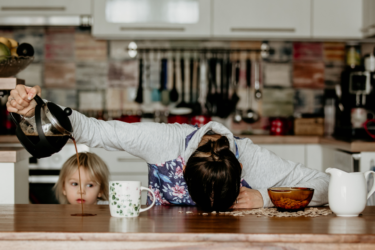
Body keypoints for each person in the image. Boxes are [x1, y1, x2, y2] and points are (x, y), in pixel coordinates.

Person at [7, 85, 329, 211]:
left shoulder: (253, 158)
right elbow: (93, 129)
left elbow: (326, 184)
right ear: (182, 167)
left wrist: (264, 197)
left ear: (241, 169)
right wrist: (34, 107)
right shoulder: (162, 141)